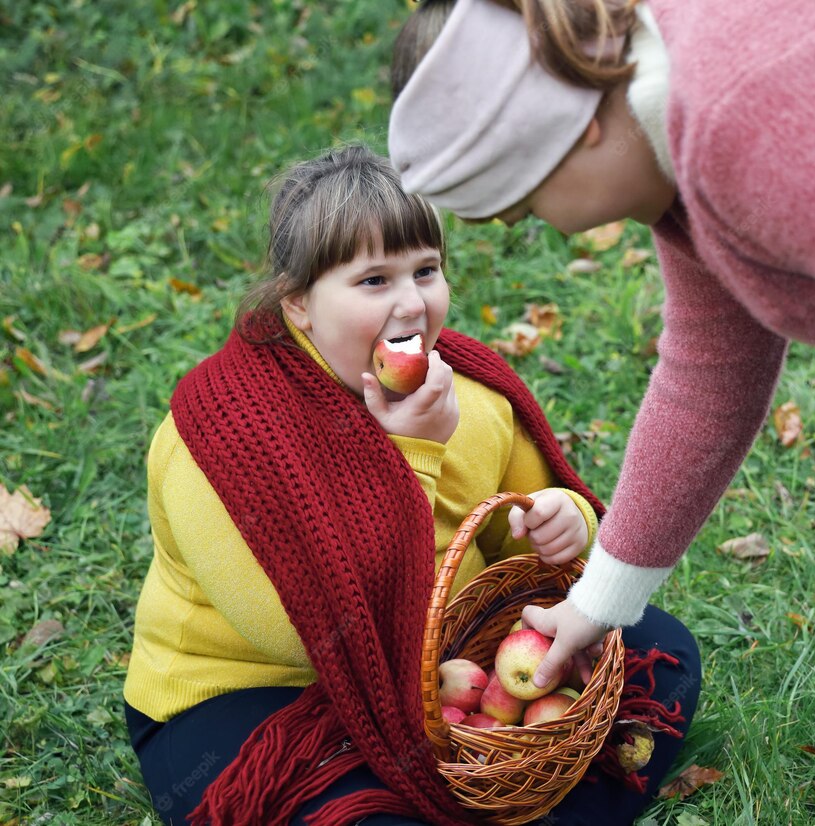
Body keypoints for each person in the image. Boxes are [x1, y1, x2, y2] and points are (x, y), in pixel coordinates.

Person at [123, 145, 699, 825]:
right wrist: (411, 456)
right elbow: (316, 634)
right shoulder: (220, 440)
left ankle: (510, 799)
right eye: (373, 280)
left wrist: (563, 520)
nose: (412, 301)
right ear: (300, 304)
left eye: (425, 269)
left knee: (661, 653)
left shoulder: (473, 398)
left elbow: (533, 562)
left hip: (446, 662)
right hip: (270, 696)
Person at [388, 0, 815, 689]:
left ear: (575, 129)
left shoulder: (738, 119)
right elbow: (709, 375)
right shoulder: (673, 153)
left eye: (528, 207)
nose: (549, 230)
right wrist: (599, 600)